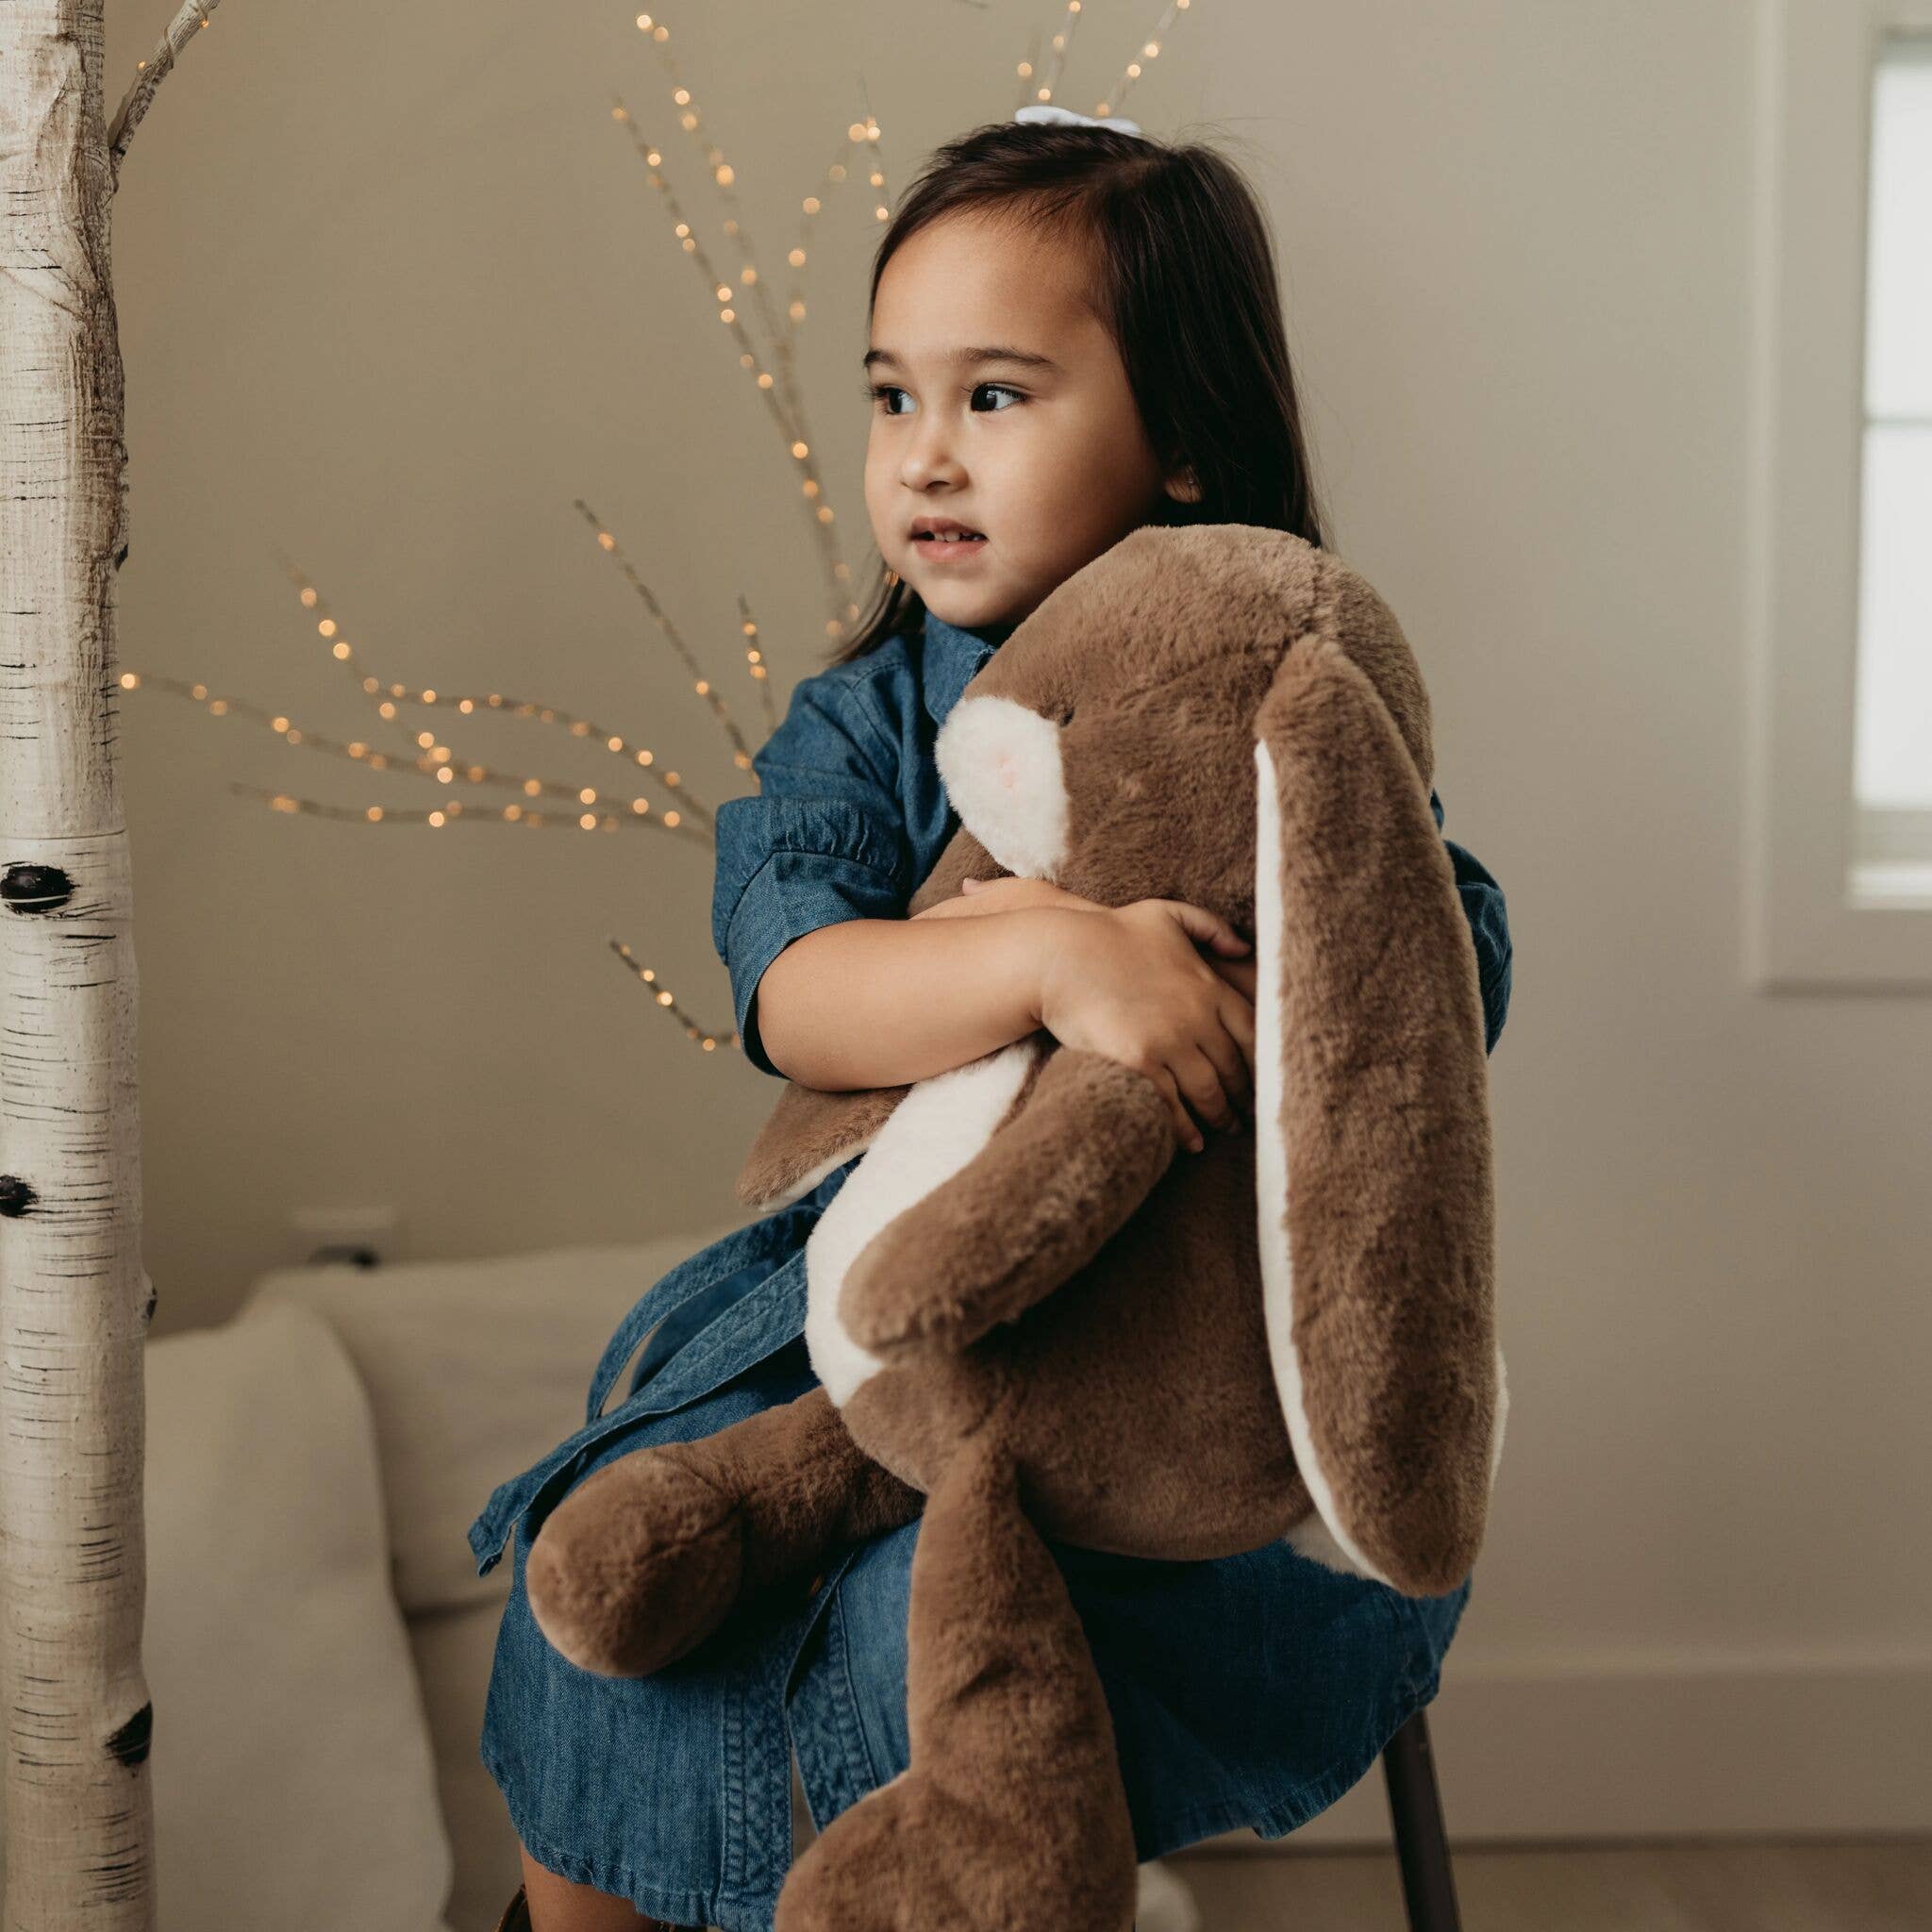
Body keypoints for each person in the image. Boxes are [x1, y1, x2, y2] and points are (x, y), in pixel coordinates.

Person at [468, 109, 1514, 1932]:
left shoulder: (1286, 694)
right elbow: (802, 993)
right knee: (614, 1559)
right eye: (893, 396)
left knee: (907, 1627)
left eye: (997, 396)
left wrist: (1210, 972)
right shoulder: (868, 726)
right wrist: (1048, 961)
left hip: (1170, 1393)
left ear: (1182, 436)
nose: (925, 453)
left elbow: (1432, 974)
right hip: (873, 1339)